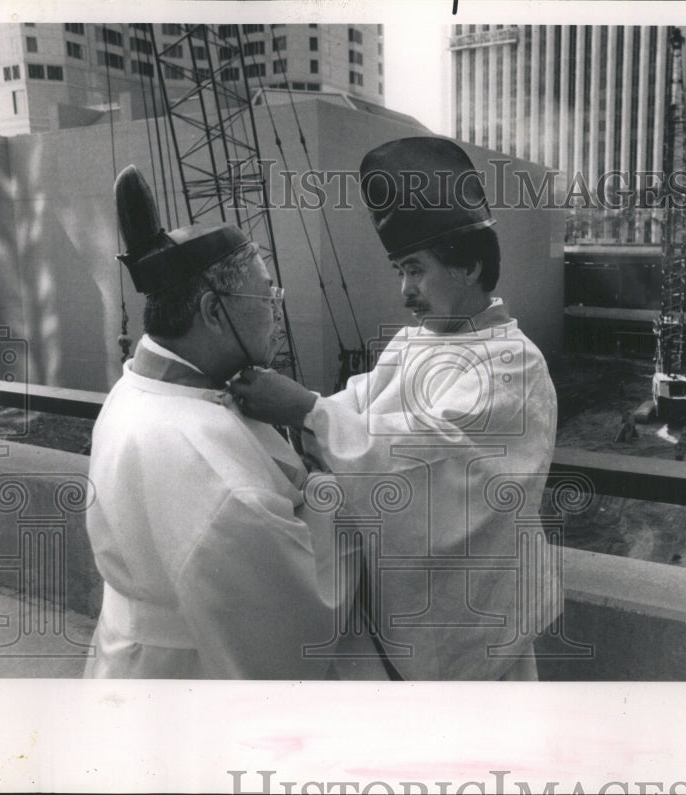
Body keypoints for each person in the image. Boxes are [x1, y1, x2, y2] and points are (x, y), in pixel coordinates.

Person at [231, 137, 560, 680]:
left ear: (471, 267)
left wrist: (311, 411)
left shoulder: (512, 367)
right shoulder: (413, 342)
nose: (405, 290)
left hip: (476, 620)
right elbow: (353, 407)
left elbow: (431, 464)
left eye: (417, 270)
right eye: (398, 272)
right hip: (402, 606)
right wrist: (302, 411)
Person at [84, 165, 337, 679]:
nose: (275, 311)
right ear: (214, 312)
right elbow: (298, 623)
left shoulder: (134, 387)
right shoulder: (217, 473)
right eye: (267, 295)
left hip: (131, 659)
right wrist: (328, 483)